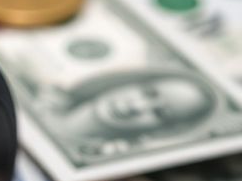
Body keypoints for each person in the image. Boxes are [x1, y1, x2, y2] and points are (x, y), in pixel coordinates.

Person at [35, 69, 220, 164]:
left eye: (159, 113)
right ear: (132, 81)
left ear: (162, 130)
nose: (136, 106)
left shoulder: (96, 160)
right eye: (149, 92)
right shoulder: (37, 92)